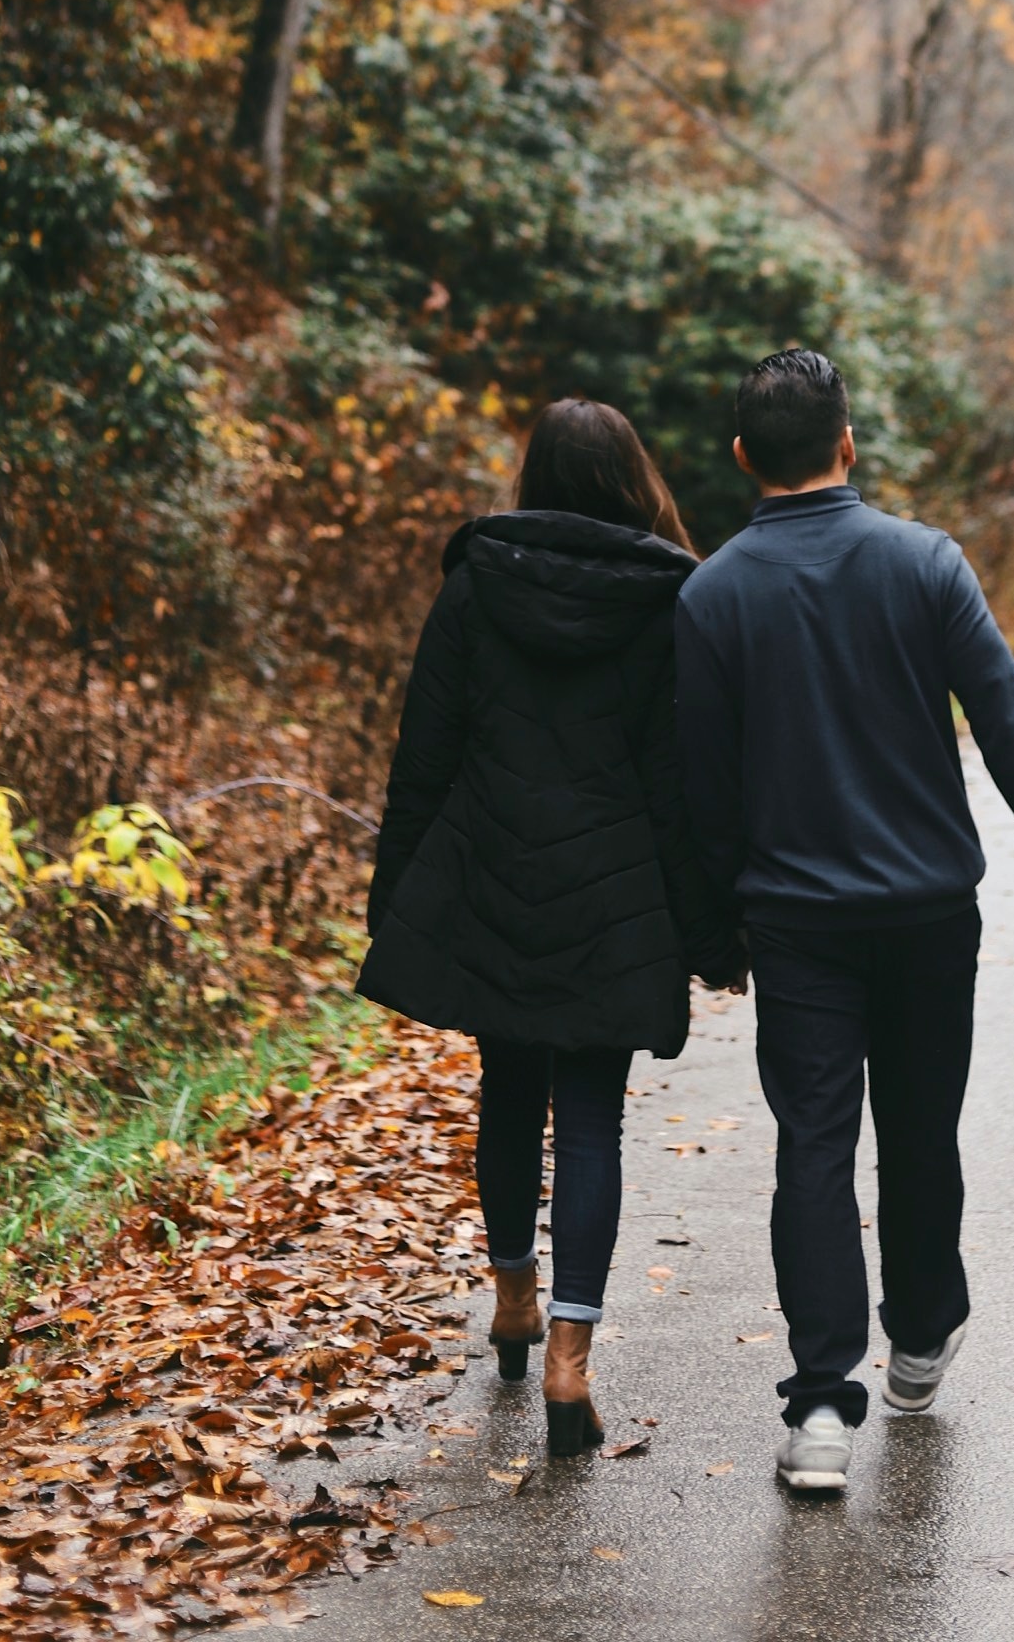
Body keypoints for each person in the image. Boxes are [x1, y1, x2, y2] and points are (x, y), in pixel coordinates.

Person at [675, 346, 1014, 1495]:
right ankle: (919, 1337)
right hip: (926, 916)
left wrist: (713, 936)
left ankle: (821, 1408)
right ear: (847, 441)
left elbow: (698, 794)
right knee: (921, 1130)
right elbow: (1009, 719)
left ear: (742, 457)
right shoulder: (925, 565)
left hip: (796, 926)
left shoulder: (711, 596)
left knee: (813, 1147)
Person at [359, 398, 742, 1457]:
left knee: (508, 1093)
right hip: (613, 897)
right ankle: (570, 1363)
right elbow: (678, 787)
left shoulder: (476, 584)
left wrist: (394, 901)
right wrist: (712, 933)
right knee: (590, 1122)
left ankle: (513, 1303)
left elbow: (423, 757)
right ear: (633, 478)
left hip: (492, 876)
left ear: (534, 476)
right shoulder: (669, 599)